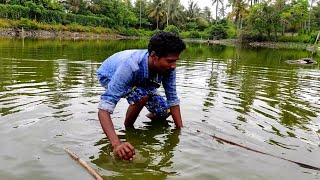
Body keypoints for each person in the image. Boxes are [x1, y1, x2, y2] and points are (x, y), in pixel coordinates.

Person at [96, 31, 186, 161]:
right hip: (109, 75)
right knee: (141, 97)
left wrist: (180, 131)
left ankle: (139, 117)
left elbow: (172, 99)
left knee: (165, 111)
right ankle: (129, 127)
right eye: (170, 61)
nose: (174, 66)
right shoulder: (130, 66)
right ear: (154, 56)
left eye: (176, 61)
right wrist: (116, 144)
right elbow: (104, 109)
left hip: (142, 79)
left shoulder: (169, 68)